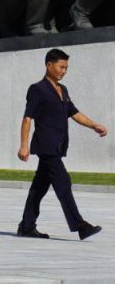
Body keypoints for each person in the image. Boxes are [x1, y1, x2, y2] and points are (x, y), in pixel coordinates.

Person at [17, 49, 106, 240]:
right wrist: (24, 146)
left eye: (66, 68)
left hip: (58, 146)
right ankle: (80, 225)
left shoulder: (63, 90)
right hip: (46, 147)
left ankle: (26, 225)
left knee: (39, 188)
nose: (64, 71)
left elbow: (74, 113)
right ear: (49, 65)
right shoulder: (37, 89)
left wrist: (94, 125)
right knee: (63, 183)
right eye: (61, 67)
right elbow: (27, 118)